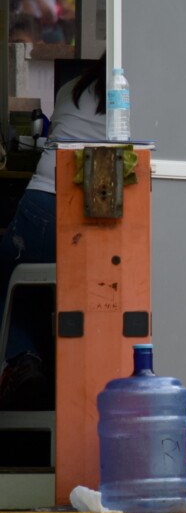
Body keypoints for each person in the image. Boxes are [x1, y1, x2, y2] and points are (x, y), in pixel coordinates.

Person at [0, 58, 106, 378]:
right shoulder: (129, 99)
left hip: (37, 205)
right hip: (88, 218)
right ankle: (65, 376)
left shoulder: (68, 90)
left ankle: (23, 356)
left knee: (12, 287)